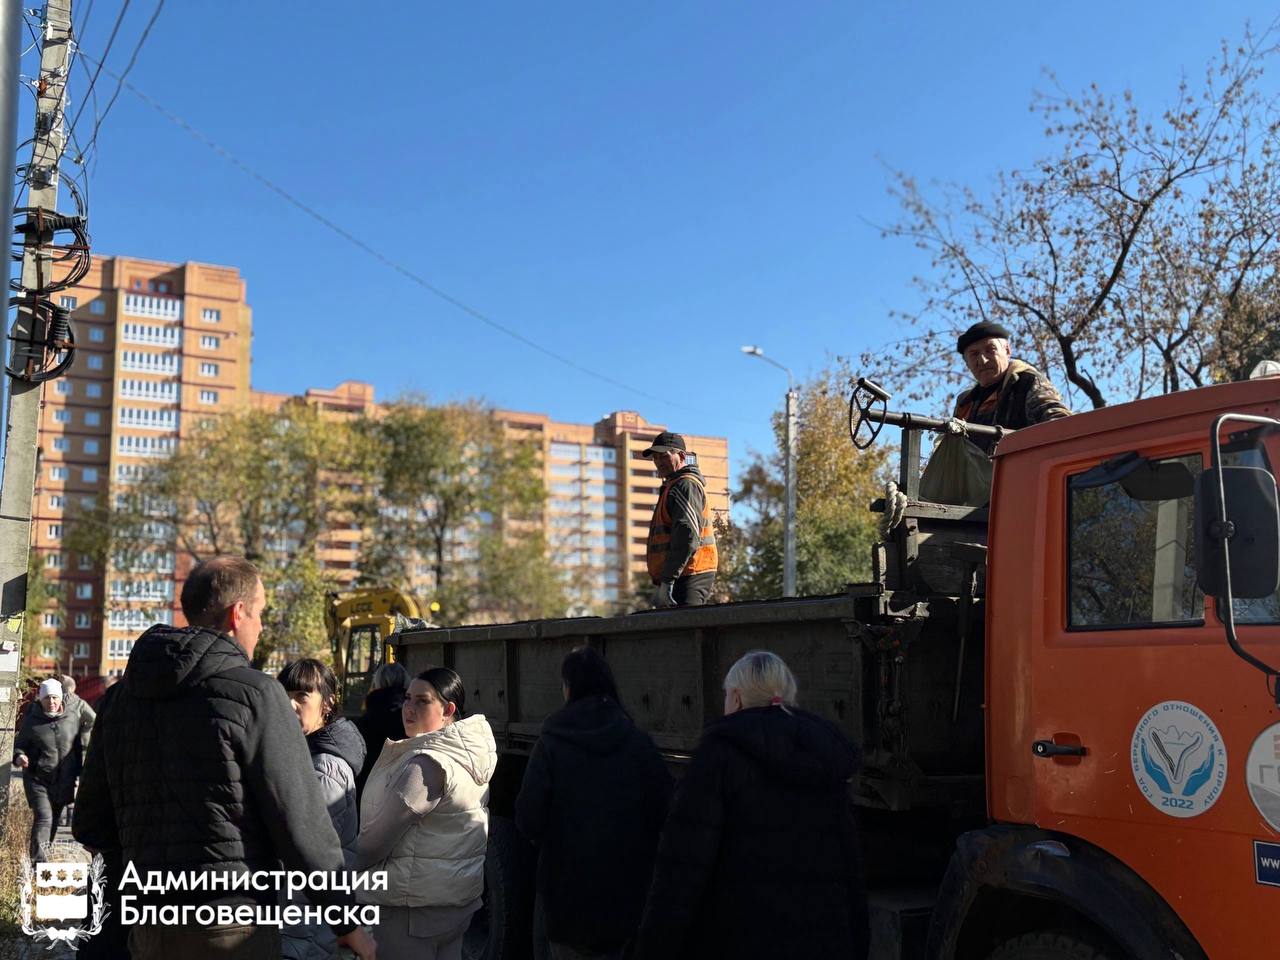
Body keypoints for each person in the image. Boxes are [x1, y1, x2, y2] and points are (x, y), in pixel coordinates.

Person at [73, 556, 376, 960]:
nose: (261, 627)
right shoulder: (256, 695)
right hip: (232, 925)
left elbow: (92, 824)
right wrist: (348, 921)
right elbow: (302, 825)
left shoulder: (119, 700)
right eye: (261, 614)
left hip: (146, 925)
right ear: (238, 614)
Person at [634, 651, 869, 960]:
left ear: (736, 698)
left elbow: (681, 871)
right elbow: (850, 869)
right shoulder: (824, 758)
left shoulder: (717, 758)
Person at [516, 647, 671, 960]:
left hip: (567, 897)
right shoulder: (638, 742)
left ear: (568, 688)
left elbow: (528, 817)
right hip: (627, 898)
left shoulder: (552, 742)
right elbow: (664, 812)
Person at [356, 667, 497, 960]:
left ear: (448, 709)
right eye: (408, 698)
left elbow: (374, 842)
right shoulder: (467, 754)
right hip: (453, 903)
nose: (409, 708)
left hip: (411, 909)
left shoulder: (427, 765)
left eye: (422, 701)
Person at [278, 658, 368, 960]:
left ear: (327, 703)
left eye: (302, 696)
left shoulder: (324, 767)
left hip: (308, 918)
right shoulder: (304, 754)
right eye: (285, 696)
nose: (291, 705)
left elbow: (306, 849)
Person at [953, 321, 1071, 452]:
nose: (983, 360)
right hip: (976, 472)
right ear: (967, 363)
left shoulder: (1027, 382)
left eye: (990, 350)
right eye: (974, 354)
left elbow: (1061, 425)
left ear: (1007, 350)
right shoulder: (965, 403)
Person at [641, 431, 718, 608]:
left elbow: (686, 535)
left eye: (664, 456)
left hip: (690, 574)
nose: (658, 462)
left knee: (686, 632)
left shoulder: (685, 485)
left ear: (681, 456)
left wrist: (668, 580)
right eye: (655, 457)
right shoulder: (674, 486)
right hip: (680, 575)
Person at [13, 677, 79, 861]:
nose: (51, 702)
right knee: (44, 818)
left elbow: (78, 746)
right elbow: (19, 745)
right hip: (37, 779)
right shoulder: (32, 721)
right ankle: (38, 865)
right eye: (47, 698)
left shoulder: (71, 718)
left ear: (61, 698)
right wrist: (19, 756)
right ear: (41, 700)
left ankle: (43, 857)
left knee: (54, 821)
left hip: (62, 781)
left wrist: (81, 771)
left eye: (55, 698)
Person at [354, 661, 409, 801]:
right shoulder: (410, 717)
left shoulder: (364, 720)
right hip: (405, 794)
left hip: (367, 794)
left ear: (377, 683)